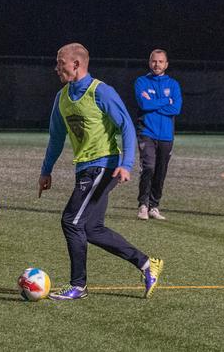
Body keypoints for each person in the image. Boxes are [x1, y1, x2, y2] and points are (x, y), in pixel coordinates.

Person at [38, 43, 163, 300]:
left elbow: (126, 125)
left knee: (71, 221)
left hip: (104, 166)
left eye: (60, 62)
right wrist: (45, 171)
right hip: (85, 168)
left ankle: (78, 286)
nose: (56, 67)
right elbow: (56, 138)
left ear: (76, 64)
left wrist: (126, 164)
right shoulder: (62, 97)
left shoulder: (101, 91)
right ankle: (146, 264)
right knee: (92, 228)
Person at [134, 49, 182, 220]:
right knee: (148, 167)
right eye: (154, 61)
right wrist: (166, 101)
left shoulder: (173, 84)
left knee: (161, 171)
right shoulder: (141, 82)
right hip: (147, 131)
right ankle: (143, 205)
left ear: (166, 64)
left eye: (161, 61)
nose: (157, 64)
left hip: (166, 135)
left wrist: (154, 104)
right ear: (149, 63)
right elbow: (144, 105)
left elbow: (176, 109)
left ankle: (154, 206)